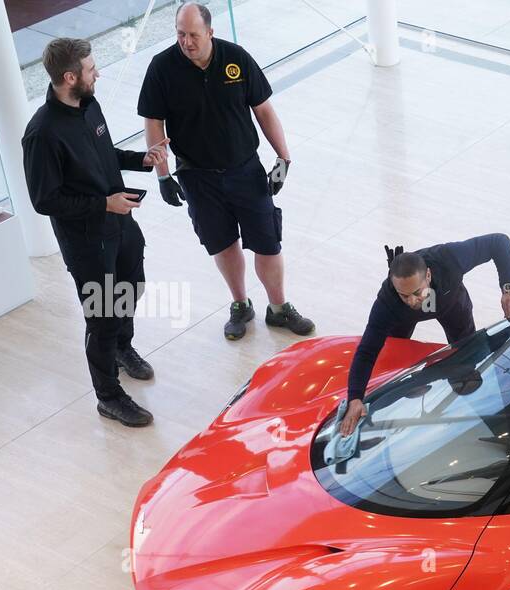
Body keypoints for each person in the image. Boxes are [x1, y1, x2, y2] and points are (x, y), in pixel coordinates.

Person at [139, 2, 312, 341]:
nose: (186, 42)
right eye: (180, 34)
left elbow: (263, 109)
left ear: (210, 33)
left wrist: (283, 158)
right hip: (197, 177)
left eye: (193, 35)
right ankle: (239, 304)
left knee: (268, 243)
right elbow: (153, 122)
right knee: (223, 244)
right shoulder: (162, 68)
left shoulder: (236, 58)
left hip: (245, 170)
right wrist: (162, 175)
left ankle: (278, 308)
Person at [22, 38, 169, 428]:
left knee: (132, 287)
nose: (97, 73)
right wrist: (103, 204)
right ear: (69, 77)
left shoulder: (90, 106)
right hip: (87, 242)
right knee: (101, 316)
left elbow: (104, 158)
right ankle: (109, 396)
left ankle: (123, 348)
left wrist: (141, 158)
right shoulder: (42, 134)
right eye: (90, 69)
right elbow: (44, 200)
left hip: (121, 224)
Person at [338, 234, 510, 435]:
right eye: (404, 295)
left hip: (451, 306)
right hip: (402, 319)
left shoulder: (448, 258)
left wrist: (508, 287)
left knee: (467, 360)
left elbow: (499, 242)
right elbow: (367, 350)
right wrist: (355, 398)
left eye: (417, 292)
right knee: (396, 361)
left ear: (428, 275)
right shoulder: (388, 301)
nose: (412, 301)